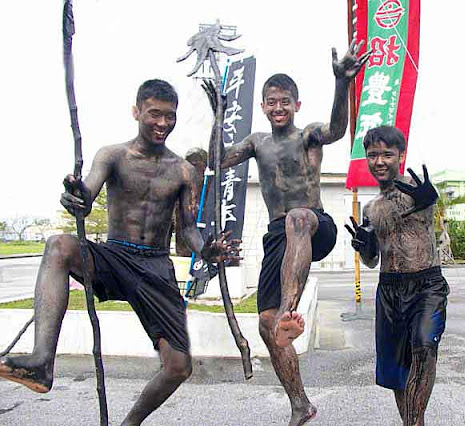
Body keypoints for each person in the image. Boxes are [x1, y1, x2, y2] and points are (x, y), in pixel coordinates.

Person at [0, 79, 240, 426]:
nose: (162, 123)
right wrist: (74, 197)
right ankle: (41, 362)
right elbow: (85, 199)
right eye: (154, 114)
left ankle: (129, 424)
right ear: (137, 112)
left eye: (169, 116)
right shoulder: (113, 155)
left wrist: (209, 250)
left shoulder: (184, 171)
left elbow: (188, 230)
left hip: (155, 267)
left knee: (178, 367)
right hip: (115, 256)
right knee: (59, 245)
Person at [203, 41, 370, 425]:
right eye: (271, 102)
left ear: (296, 104)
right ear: (262, 106)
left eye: (285, 101)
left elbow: (337, 128)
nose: (278, 108)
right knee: (264, 323)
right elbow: (217, 160)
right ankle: (300, 403)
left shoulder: (307, 135)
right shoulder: (256, 142)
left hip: (315, 224)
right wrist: (218, 115)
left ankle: (287, 313)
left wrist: (342, 83)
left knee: (296, 217)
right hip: (280, 237)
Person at [345, 126, 449, 426]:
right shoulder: (371, 209)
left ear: (401, 156)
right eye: (373, 155)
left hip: (427, 284)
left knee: (425, 347)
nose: (379, 161)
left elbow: (428, 202)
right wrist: (363, 248)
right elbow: (371, 260)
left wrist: (429, 197)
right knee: (397, 371)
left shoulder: (415, 189)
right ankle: (411, 422)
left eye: (387, 154)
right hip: (389, 289)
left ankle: (415, 423)